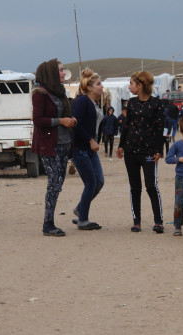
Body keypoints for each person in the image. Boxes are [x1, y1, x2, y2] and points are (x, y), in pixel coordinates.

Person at [31, 58, 77, 237]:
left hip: (64, 143)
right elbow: (38, 120)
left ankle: (49, 222)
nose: (64, 73)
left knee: (58, 184)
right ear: (50, 73)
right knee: (54, 184)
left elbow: (65, 116)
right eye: (60, 70)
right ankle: (48, 224)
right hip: (50, 145)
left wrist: (71, 121)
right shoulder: (40, 94)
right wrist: (61, 121)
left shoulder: (59, 93)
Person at [116, 71, 165, 233]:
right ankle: (136, 221)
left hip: (149, 152)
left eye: (131, 83)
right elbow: (127, 126)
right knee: (134, 187)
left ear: (141, 85)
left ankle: (158, 221)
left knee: (151, 186)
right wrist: (121, 145)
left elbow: (159, 129)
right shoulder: (131, 103)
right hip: (130, 151)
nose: (129, 87)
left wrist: (159, 149)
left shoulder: (156, 103)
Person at [71, 67, 105, 231]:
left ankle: (80, 209)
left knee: (99, 182)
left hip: (90, 148)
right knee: (91, 182)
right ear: (89, 87)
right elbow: (75, 123)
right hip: (80, 148)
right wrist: (90, 139)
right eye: (98, 84)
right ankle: (83, 219)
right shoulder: (82, 101)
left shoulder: (93, 102)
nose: (102, 86)